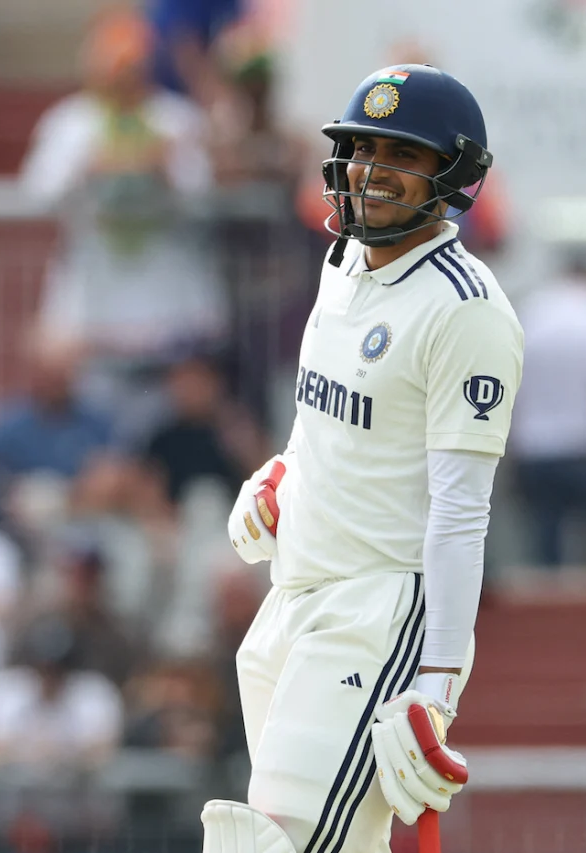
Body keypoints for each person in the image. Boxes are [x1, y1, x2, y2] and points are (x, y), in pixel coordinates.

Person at [203, 65, 523, 853]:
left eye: (402, 154)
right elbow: (324, 418)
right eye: (362, 149)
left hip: (378, 612)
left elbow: (461, 509)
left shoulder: (466, 309)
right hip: (292, 595)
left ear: (452, 174)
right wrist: (283, 477)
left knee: (279, 840)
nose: (371, 170)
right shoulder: (344, 260)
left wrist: (438, 681)